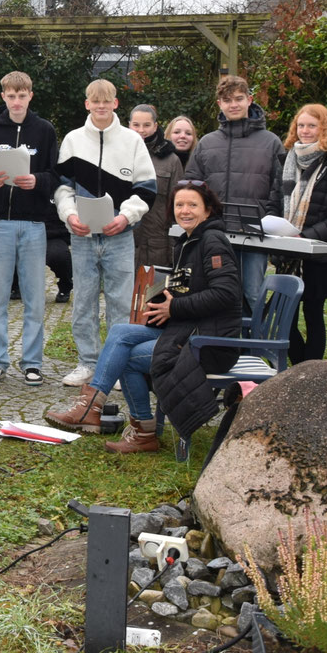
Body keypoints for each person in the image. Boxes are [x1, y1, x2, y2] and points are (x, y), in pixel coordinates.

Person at [45, 179, 242, 454]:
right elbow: (190, 291)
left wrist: (174, 308)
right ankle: (92, 407)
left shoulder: (213, 241)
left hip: (209, 341)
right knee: (120, 333)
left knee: (125, 357)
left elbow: (226, 294)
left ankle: (138, 430)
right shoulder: (188, 240)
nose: (185, 211)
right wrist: (160, 303)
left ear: (208, 210)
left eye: (192, 205)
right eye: (179, 205)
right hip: (187, 330)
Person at [53, 79, 158, 388]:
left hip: (120, 235)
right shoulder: (73, 140)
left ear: (115, 104)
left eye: (107, 100)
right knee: (83, 300)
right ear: (87, 103)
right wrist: (69, 215)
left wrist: (126, 217)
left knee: (121, 303)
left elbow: (147, 189)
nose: (101, 105)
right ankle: (87, 363)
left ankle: (116, 366)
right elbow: (62, 187)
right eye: (94, 100)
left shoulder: (132, 141)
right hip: (82, 236)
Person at [0, 72, 58, 386]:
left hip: (34, 223)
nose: (17, 101)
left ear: (31, 96)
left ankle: (32, 362)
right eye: (11, 96)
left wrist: (38, 182)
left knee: (35, 298)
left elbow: (56, 174)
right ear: (4, 96)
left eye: (22, 96)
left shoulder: (45, 130)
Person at [184, 75, 285, 315]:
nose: (234, 104)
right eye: (227, 100)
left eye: (239, 98)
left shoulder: (271, 142)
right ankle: (221, 349)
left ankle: (256, 350)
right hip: (215, 235)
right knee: (216, 293)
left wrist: (268, 221)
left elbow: (280, 188)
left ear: (250, 100)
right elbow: (191, 187)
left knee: (253, 293)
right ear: (219, 103)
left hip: (255, 234)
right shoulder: (207, 143)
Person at [279, 104, 327, 364]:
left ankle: (309, 372)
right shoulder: (286, 161)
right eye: (301, 126)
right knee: (284, 317)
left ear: (324, 129)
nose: (305, 131)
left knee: (313, 314)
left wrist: (307, 236)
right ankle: (300, 366)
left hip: (319, 254)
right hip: (287, 253)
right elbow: (274, 200)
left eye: (312, 126)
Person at [128, 104, 183, 272]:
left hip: (157, 241)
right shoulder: (118, 154)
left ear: (155, 126)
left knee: (154, 294)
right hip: (125, 238)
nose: (141, 130)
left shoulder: (171, 160)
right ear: (129, 125)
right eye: (136, 125)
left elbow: (178, 203)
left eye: (146, 125)